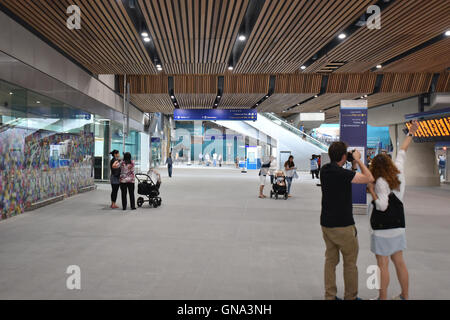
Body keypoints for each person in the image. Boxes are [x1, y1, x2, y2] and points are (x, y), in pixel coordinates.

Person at [367, 121, 419, 300]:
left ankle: (383, 298)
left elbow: (382, 206)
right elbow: (403, 150)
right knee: (400, 262)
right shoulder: (398, 171)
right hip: (398, 225)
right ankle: (405, 295)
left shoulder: (381, 181)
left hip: (383, 228)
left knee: (382, 264)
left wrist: (372, 190)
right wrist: (411, 133)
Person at [320, 142, 375, 300]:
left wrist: (352, 165)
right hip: (343, 225)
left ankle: (329, 295)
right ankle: (350, 296)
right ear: (344, 156)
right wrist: (358, 160)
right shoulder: (342, 174)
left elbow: (345, 179)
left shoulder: (325, 170)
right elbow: (368, 178)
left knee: (330, 261)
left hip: (326, 224)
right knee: (350, 263)